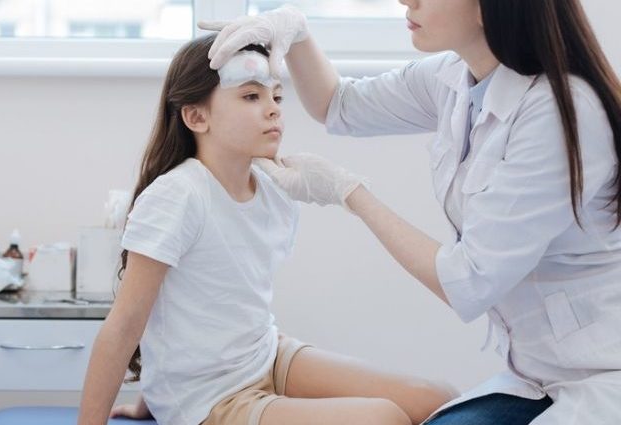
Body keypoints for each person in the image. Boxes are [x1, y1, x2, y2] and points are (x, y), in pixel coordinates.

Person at [201, 1, 621, 424]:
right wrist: (299, 34)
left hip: (601, 375)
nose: (406, 0)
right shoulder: (456, 78)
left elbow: (470, 280)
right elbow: (338, 103)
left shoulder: (560, 112)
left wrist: (351, 193)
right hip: (537, 373)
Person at [76, 33, 455, 425]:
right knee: (382, 419)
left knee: (438, 400)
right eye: (251, 96)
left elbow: (204, 305)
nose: (273, 109)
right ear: (196, 116)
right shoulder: (177, 196)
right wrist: (162, 395)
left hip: (264, 355)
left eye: (277, 96)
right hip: (209, 396)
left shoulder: (276, 188)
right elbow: (125, 326)